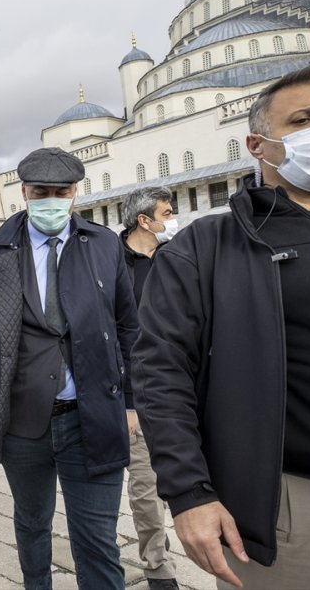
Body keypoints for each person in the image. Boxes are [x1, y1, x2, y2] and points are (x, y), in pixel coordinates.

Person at [132, 60, 310, 590]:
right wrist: (190, 492)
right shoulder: (209, 247)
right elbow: (161, 369)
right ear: (258, 144)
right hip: (292, 514)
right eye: (305, 119)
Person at [0, 147, 140, 590]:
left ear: (75, 193)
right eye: (41, 191)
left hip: (93, 414)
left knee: (98, 539)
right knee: (33, 522)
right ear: (24, 191)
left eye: (62, 191)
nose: (51, 200)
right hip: (23, 419)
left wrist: (135, 402)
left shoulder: (104, 245)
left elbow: (128, 328)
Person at [119, 186, 181, 590]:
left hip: (182, 388)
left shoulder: (177, 260)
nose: (173, 219)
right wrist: (127, 400)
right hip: (136, 393)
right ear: (145, 220)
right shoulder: (110, 263)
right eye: (168, 212)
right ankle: (158, 567)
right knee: (145, 485)